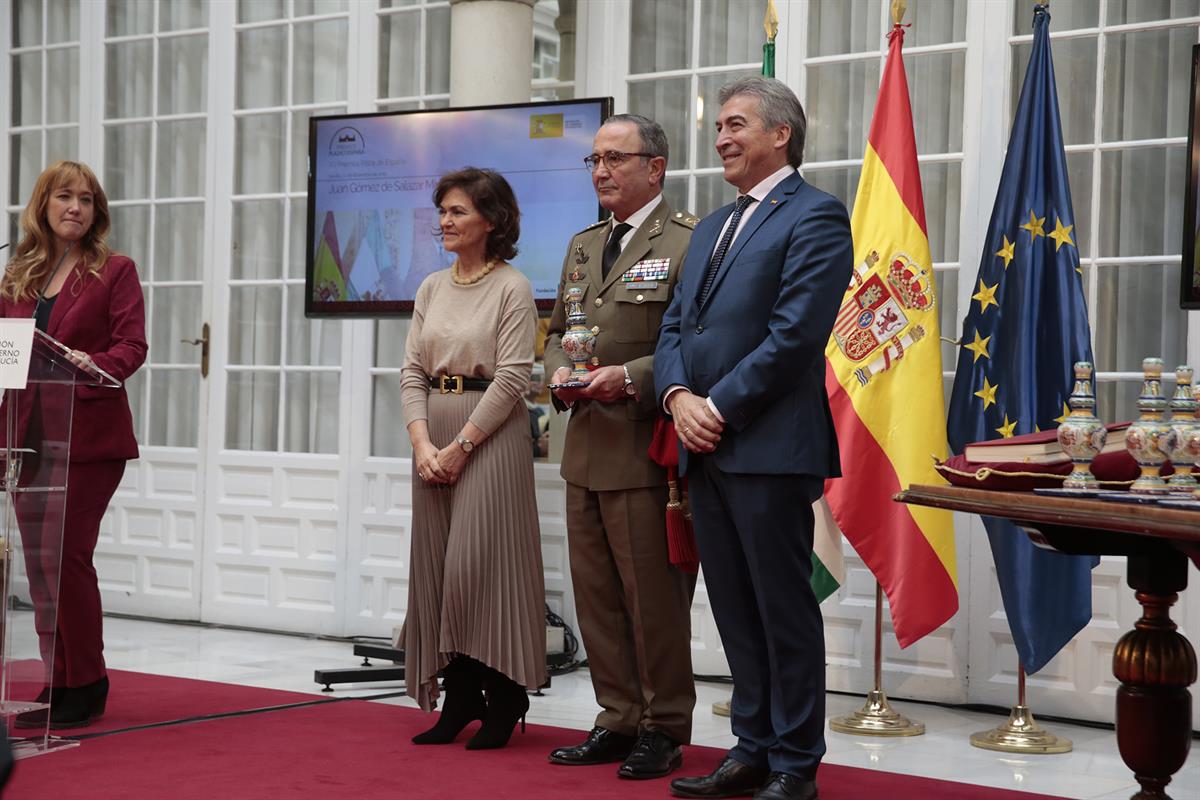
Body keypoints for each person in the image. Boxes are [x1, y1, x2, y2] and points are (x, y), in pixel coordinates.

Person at [654, 77, 853, 800]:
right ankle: (752, 748)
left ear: (780, 134)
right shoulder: (710, 225)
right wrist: (677, 397)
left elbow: (795, 336)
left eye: (735, 124)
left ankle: (797, 765)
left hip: (769, 448)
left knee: (781, 611)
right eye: (718, 128)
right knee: (735, 609)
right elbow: (675, 325)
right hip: (702, 445)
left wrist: (718, 408)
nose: (720, 139)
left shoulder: (818, 216)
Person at [543, 114, 698, 781]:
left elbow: (695, 345)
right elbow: (556, 329)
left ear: (654, 167)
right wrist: (556, 370)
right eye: (594, 161)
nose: (601, 171)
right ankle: (617, 716)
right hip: (582, 449)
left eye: (614, 158)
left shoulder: (690, 242)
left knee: (653, 601)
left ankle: (664, 726)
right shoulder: (583, 245)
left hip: (646, 455)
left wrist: (629, 379)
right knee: (597, 598)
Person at [399, 167, 545, 750]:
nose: (445, 222)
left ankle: (505, 693)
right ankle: (460, 698)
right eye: (443, 212)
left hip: (488, 435)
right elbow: (411, 369)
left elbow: (514, 377)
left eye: (457, 211)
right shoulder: (432, 287)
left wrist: (459, 448)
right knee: (436, 566)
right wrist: (421, 444)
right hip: (432, 433)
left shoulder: (512, 286)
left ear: (491, 219)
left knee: (477, 568)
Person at [2, 161, 147, 730]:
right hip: (28, 438)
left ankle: (86, 681)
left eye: (86, 199)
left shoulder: (114, 270)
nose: (75, 208)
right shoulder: (18, 275)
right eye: (64, 197)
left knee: (66, 559)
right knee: (40, 567)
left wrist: (95, 364)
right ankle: (56, 678)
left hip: (87, 437)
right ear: (43, 205)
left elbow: (131, 346)